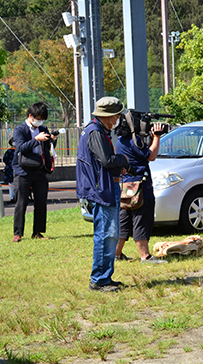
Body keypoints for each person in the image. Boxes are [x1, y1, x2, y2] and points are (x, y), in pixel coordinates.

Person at [76, 97, 130, 292]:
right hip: (101, 191)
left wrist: (118, 167)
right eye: (117, 116)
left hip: (104, 187)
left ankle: (105, 277)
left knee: (110, 235)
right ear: (110, 116)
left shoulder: (98, 130)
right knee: (106, 235)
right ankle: (99, 279)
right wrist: (123, 160)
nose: (118, 120)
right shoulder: (95, 132)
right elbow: (106, 161)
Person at [114, 117, 167, 264]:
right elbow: (151, 155)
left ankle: (116, 254)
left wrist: (150, 139)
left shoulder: (121, 139)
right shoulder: (134, 140)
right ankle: (145, 256)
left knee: (123, 221)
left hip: (125, 187)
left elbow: (143, 153)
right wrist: (156, 137)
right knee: (141, 219)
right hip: (140, 188)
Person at [12, 102, 53, 242]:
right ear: (31, 116)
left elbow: (46, 148)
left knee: (41, 202)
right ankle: (18, 233)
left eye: (42, 119)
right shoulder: (19, 130)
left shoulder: (43, 128)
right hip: (23, 170)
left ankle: (38, 232)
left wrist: (51, 140)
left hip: (40, 170)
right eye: (38, 118)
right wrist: (36, 139)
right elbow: (22, 147)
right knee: (21, 202)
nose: (40, 121)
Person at [3, 138, 16, 203]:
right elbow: (5, 160)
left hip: (18, 169)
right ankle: (12, 197)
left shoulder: (20, 150)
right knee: (11, 184)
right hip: (10, 170)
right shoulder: (9, 151)